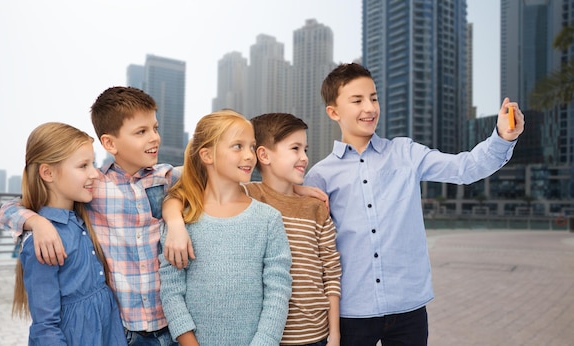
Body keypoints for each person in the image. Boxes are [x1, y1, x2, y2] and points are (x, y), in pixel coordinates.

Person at [303, 63, 525, 346]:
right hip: (352, 310)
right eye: (357, 100)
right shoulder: (320, 176)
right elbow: (309, 248)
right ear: (334, 112)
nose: (370, 108)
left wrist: (502, 139)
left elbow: (464, 167)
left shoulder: (405, 153)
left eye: (374, 98)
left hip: (408, 307)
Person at [0, 86, 182, 345]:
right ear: (109, 143)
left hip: (171, 321)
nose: (154, 137)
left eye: (155, 128)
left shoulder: (166, 177)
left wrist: (175, 223)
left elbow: (208, 178)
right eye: (141, 131)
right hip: (125, 330)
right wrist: (37, 222)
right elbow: (9, 209)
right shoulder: (97, 187)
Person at [158, 110, 293, 345]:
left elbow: (278, 292)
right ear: (207, 155)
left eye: (252, 147)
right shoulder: (182, 219)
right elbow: (171, 291)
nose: (250, 155)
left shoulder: (268, 219)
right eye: (237, 146)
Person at [13, 122, 125, 345]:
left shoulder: (84, 217)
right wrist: (37, 224)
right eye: (83, 166)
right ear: (48, 173)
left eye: (92, 164)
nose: (95, 173)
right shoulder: (43, 241)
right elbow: (45, 326)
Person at [244, 112, 342, 346]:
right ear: (264, 155)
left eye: (305, 149)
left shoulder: (316, 208)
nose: (304, 158)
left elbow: (332, 271)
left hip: (316, 335)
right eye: (295, 148)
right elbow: (196, 178)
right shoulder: (248, 196)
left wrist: (335, 335)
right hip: (267, 336)